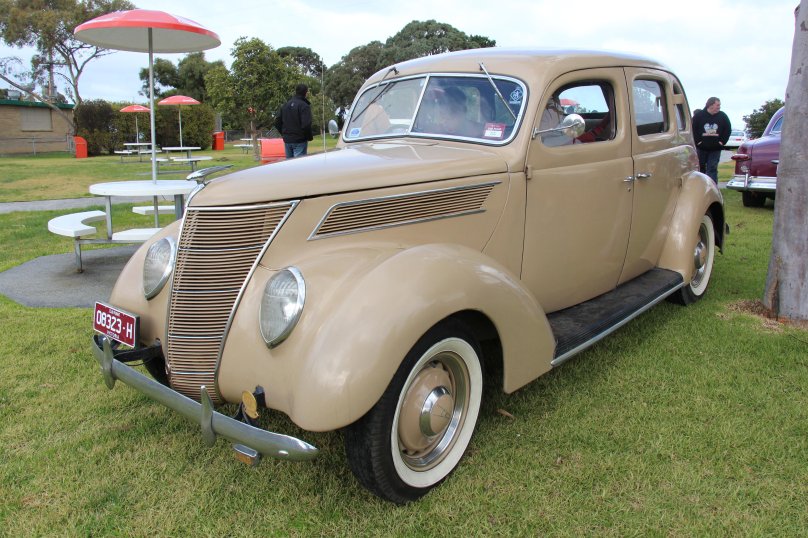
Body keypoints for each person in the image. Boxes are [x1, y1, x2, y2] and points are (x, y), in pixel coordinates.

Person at [692, 97, 731, 182]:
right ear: (711, 105)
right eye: (717, 105)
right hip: (701, 148)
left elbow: (727, 130)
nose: (719, 107)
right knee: (700, 168)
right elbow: (693, 129)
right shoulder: (699, 116)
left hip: (715, 148)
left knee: (712, 169)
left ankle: (712, 188)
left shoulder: (723, 116)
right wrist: (698, 142)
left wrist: (722, 142)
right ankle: (701, 187)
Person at [274, 83, 313, 158]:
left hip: (288, 140)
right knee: (298, 166)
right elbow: (306, 125)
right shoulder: (304, 106)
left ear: (296, 91)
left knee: (289, 166)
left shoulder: (285, 105)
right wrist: (309, 137)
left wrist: (284, 133)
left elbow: (277, 122)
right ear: (306, 93)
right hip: (299, 140)